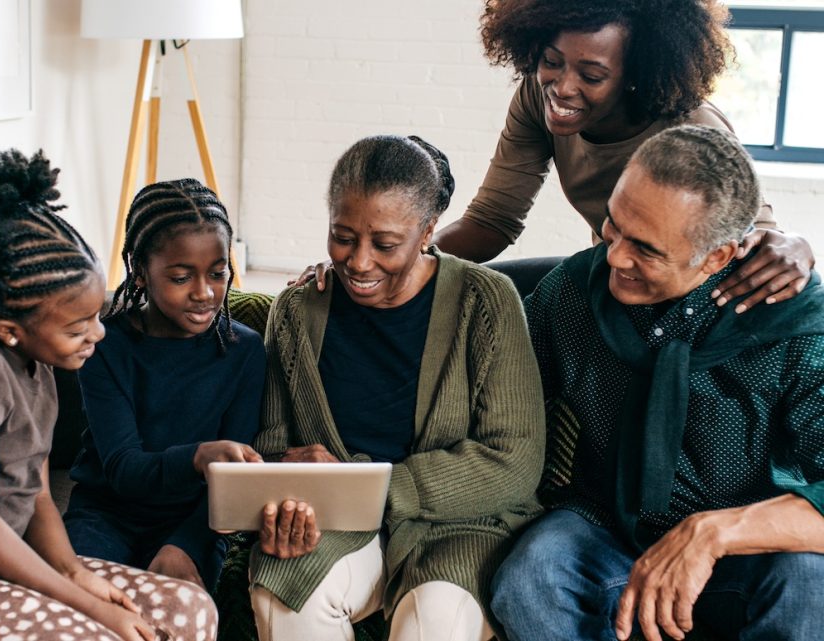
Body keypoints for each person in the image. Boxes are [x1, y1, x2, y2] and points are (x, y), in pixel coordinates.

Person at [489, 125, 824, 641]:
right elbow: (488, 392)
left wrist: (711, 533)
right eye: (614, 225)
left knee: (809, 584)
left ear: (717, 256)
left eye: (645, 249)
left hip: (748, 546)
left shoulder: (795, 326)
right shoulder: (573, 293)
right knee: (531, 577)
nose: (616, 257)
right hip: (605, 527)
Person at [0, 151, 216, 641]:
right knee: (100, 632)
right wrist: (85, 604)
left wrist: (74, 572)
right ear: (10, 330)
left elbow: (38, 495)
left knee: (186, 607)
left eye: (95, 317)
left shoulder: (41, 371)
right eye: (77, 327)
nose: (98, 334)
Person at [301, 0, 814, 314]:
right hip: (611, 274)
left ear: (637, 74)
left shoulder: (690, 127)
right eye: (551, 62)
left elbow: (757, 235)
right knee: (482, 293)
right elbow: (493, 221)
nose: (562, 88)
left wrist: (797, 246)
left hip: (678, 295)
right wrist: (389, 262)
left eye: (591, 76)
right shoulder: (537, 96)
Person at [249, 135, 546, 641]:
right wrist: (286, 499)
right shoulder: (297, 310)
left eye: (385, 245)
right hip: (336, 523)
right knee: (285, 598)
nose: (359, 262)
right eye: (343, 237)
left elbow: (513, 461)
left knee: (434, 623)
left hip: (459, 526)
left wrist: (371, 488)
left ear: (428, 230)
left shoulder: (486, 301)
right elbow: (274, 447)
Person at [64, 178, 265, 591]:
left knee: (177, 609)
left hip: (194, 521)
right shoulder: (105, 346)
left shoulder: (244, 350)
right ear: (140, 271)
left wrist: (186, 545)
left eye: (218, 273)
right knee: (78, 605)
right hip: (106, 515)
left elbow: (233, 484)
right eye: (181, 277)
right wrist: (197, 457)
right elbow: (122, 468)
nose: (204, 293)